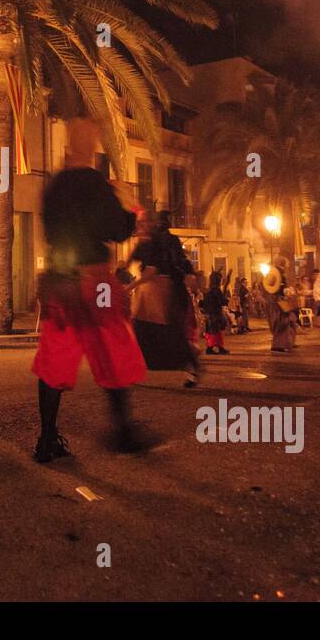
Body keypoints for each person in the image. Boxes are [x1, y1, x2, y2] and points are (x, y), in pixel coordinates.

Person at [32, 119, 153, 463]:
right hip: (95, 280)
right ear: (91, 147)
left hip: (61, 281)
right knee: (113, 346)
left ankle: (47, 438)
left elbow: (49, 229)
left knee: (55, 357)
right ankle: (123, 430)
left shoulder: (53, 187)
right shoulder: (96, 184)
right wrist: (128, 208)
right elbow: (115, 229)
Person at [128, 210, 198, 376]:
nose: (141, 226)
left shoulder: (155, 243)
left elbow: (152, 269)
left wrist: (129, 286)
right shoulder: (148, 242)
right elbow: (132, 261)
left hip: (157, 289)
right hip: (153, 289)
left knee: (161, 329)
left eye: (145, 223)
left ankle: (187, 361)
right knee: (149, 327)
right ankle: (185, 361)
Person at [263, 257, 297, 352]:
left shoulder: (272, 274)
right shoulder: (281, 274)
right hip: (279, 302)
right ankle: (280, 345)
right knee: (283, 323)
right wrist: (289, 292)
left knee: (281, 322)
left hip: (273, 302)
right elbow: (283, 289)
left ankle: (286, 342)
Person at [202, 270, 231, 355]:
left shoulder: (209, 290)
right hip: (215, 313)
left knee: (211, 331)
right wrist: (226, 300)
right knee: (217, 332)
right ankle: (218, 348)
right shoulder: (216, 290)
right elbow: (222, 301)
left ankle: (210, 348)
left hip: (209, 313)